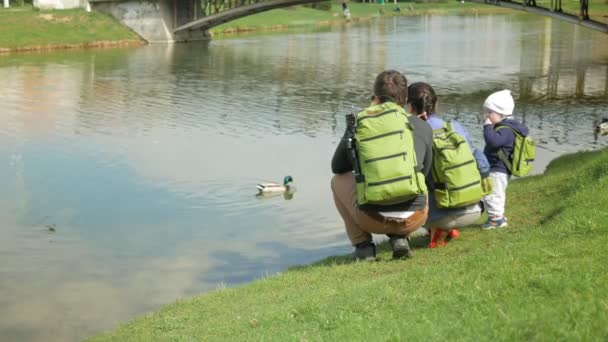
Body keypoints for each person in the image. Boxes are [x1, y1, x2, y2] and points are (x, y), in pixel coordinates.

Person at [331, 70, 433, 261]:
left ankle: (363, 247)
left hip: (372, 220)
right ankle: (401, 238)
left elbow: (337, 167)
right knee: (417, 179)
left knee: (337, 181)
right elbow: (425, 172)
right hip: (415, 218)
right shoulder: (420, 126)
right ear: (405, 98)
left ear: (375, 97)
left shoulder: (359, 124)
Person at [406, 82, 486, 247]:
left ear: (410, 107)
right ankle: (447, 228)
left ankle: (438, 228)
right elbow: (477, 159)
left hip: (441, 215)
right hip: (475, 210)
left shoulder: (414, 132)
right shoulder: (454, 126)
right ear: (436, 103)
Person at [481, 89, 529, 229]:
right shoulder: (507, 127)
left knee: (493, 194)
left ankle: (496, 220)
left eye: (489, 112)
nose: (487, 116)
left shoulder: (506, 129)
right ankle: (498, 216)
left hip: (498, 168)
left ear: (500, 112)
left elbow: (493, 141)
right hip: (500, 168)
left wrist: (487, 127)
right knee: (496, 193)